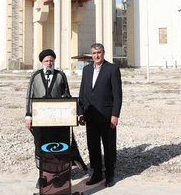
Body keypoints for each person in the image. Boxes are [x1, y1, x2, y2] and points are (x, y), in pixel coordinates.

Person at [25, 49, 87, 188]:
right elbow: (29, 97)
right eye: (46, 61)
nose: (49, 63)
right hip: (40, 120)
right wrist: (28, 116)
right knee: (41, 147)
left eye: (51, 60)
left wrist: (73, 112)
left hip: (58, 120)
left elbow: (67, 94)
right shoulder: (35, 76)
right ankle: (42, 175)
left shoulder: (60, 75)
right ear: (42, 62)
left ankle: (59, 174)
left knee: (58, 146)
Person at [78, 43, 122, 187]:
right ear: (91, 54)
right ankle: (97, 173)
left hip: (107, 116)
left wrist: (115, 115)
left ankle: (110, 175)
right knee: (93, 146)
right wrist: (81, 112)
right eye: (94, 53)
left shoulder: (112, 69)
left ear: (103, 53)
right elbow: (83, 92)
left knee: (109, 146)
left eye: (99, 52)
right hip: (90, 116)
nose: (97, 55)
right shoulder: (86, 70)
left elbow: (117, 95)